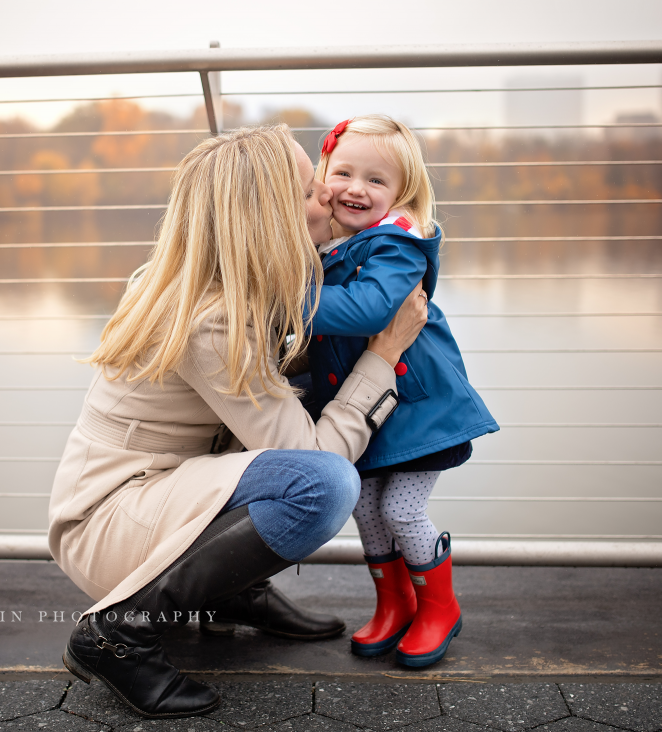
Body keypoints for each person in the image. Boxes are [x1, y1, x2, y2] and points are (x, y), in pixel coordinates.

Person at [48, 124, 428, 719]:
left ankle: (231, 596)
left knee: (302, 412)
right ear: (269, 216)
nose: (328, 195)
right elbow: (317, 459)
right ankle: (118, 633)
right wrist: (384, 355)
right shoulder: (213, 318)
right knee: (322, 487)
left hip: (163, 492)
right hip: (112, 521)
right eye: (310, 190)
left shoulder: (231, 280)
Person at [306, 114, 499, 668]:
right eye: (343, 172)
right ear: (324, 175)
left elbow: (370, 309)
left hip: (419, 408)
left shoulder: (396, 246)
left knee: (402, 508)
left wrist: (287, 303)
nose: (355, 189)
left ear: (400, 194)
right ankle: (395, 605)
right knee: (366, 508)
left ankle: (440, 609)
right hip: (371, 409)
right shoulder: (333, 244)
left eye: (375, 180)